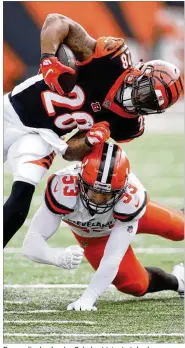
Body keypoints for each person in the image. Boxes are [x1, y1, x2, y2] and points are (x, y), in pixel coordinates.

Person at [4, 14, 183, 248]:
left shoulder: (127, 124)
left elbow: (68, 151)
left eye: (150, 103)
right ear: (140, 72)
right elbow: (57, 21)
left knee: (22, 194)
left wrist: (88, 141)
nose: (141, 101)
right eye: (144, 92)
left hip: (42, 137)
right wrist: (49, 58)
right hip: (10, 111)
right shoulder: (111, 60)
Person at [22, 142, 184, 311]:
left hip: (123, 218)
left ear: (123, 188)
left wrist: (88, 298)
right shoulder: (62, 189)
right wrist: (57, 257)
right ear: (80, 180)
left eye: (107, 194)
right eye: (94, 192)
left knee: (180, 228)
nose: (99, 200)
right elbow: (31, 244)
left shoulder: (130, 200)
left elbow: (112, 258)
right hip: (93, 236)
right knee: (135, 285)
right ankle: (179, 280)